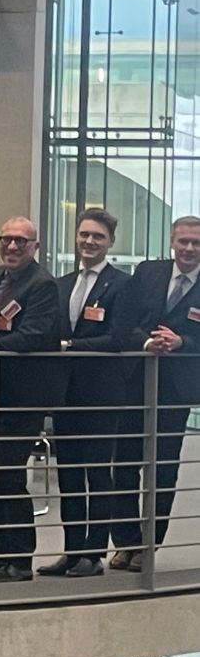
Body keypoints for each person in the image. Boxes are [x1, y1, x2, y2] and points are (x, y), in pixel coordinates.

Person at [42, 208, 140, 576]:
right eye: (84, 234)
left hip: (102, 393)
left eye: (98, 236)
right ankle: (72, 551)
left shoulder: (123, 284)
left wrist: (69, 347)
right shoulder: (62, 283)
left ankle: (94, 553)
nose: (89, 241)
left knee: (98, 473)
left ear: (111, 241)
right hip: (65, 393)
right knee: (68, 474)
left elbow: (117, 339)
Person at [0, 216, 64, 583]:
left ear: (34, 246)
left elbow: (33, 336)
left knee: (8, 476)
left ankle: (19, 560)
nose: (11, 246)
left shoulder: (42, 284)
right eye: (6, 239)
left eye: (20, 241)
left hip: (23, 397)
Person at [116, 215, 200, 567]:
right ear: (171, 242)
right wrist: (149, 342)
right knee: (124, 463)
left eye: (196, 243)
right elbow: (125, 321)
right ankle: (125, 541)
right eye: (183, 241)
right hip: (135, 382)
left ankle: (149, 544)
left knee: (163, 468)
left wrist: (182, 342)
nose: (189, 248)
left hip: (176, 391)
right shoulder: (147, 272)